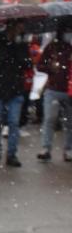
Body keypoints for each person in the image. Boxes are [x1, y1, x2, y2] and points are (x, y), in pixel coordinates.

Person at [0, 20, 33, 167]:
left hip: (15, 89)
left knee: (13, 122)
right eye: (19, 27)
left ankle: (11, 154)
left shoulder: (22, 45)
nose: (21, 30)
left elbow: (28, 64)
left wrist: (20, 51)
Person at [36, 25, 72, 162]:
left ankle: (68, 149)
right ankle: (46, 148)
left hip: (70, 91)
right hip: (54, 89)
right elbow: (40, 65)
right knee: (50, 119)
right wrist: (50, 68)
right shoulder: (52, 47)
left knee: (70, 123)